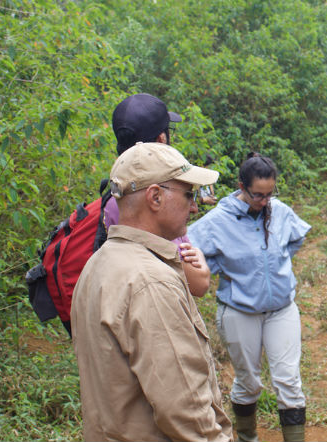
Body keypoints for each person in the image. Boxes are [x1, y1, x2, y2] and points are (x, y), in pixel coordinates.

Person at [71, 142, 232, 441]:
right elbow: (184, 408)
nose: (195, 206)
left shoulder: (98, 264)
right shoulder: (150, 282)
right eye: (188, 194)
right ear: (155, 197)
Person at [188, 153, 311, 442]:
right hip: (240, 310)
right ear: (242, 186)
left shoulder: (279, 211)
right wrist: (216, 268)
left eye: (270, 194)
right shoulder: (219, 220)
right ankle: (247, 438)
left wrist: (277, 262)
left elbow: (297, 237)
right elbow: (187, 249)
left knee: (289, 382)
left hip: (282, 309)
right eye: (258, 195)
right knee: (249, 381)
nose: (265, 201)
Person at [107, 93, 211, 297]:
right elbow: (198, 283)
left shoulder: (117, 194)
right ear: (162, 139)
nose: (193, 207)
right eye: (188, 196)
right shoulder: (158, 201)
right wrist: (201, 263)